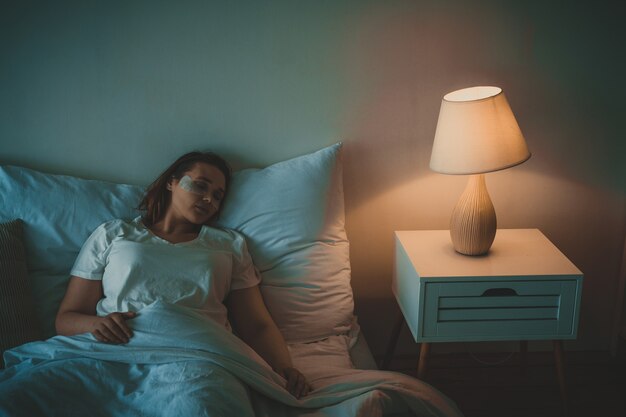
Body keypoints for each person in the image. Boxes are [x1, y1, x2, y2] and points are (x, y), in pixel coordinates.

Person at [54, 151, 310, 399]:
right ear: (171, 183)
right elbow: (66, 318)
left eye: (218, 195)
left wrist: (284, 367)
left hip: (196, 360)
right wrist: (96, 324)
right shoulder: (114, 234)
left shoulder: (228, 246)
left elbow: (256, 325)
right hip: (113, 351)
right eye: (200, 186)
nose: (209, 199)